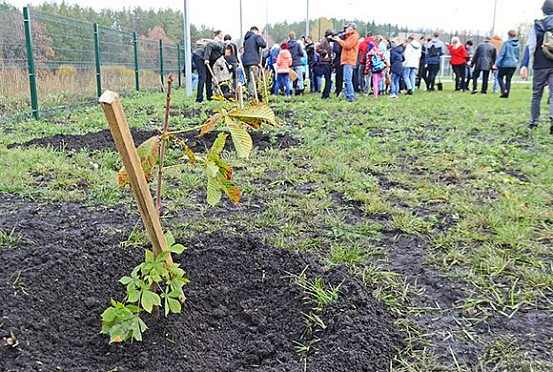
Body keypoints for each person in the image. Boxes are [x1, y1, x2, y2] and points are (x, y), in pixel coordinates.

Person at [521, 0, 553, 133]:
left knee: (537, 94)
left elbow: (530, 46)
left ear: (543, 10)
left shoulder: (538, 25)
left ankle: (533, 122)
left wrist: (524, 64)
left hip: (540, 64)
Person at [334, 23, 360, 102]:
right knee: (347, 79)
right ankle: (350, 95)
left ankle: (350, 96)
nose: (345, 30)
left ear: (352, 29)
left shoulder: (354, 36)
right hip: (347, 60)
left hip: (349, 60)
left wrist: (339, 40)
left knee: (347, 80)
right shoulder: (350, 36)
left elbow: (347, 46)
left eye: (347, 28)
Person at [242, 26, 267, 100]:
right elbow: (263, 45)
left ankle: (249, 94)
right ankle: (251, 96)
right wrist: (263, 40)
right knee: (253, 80)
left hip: (246, 62)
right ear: (256, 31)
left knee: (249, 80)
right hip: (253, 62)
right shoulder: (256, 37)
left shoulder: (246, 40)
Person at [495, 30, 520, 98]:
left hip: (505, 64)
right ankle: (506, 93)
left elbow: (501, 54)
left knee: (499, 77)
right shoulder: (518, 44)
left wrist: (496, 64)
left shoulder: (506, 43)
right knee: (508, 79)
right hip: (513, 64)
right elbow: (517, 55)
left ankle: (504, 90)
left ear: (508, 35)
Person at [366, 35, 389, 100]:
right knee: (382, 77)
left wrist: (367, 70)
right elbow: (384, 59)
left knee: (374, 82)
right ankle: (378, 87)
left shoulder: (370, 53)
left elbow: (368, 63)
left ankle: (375, 96)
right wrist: (387, 65)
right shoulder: (379, 51)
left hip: (374, 69)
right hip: (381, 68)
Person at [317, 29, 334, 99]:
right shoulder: (324, 41)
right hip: (325, 62)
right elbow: (318, 48)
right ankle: (326, 95)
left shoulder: (326, 41)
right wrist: (325, 52)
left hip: (326, 62)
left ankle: (325, 94)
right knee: (328, 80)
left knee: (328, 80)